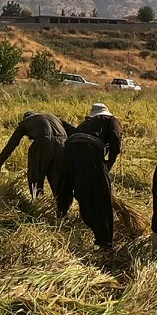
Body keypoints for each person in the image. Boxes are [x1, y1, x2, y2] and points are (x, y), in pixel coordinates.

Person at [55, 103, 123, 247]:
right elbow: (116, 139)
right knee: (102, 196)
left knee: (69, 187)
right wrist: (109, 164)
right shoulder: (111, 120)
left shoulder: (86, 124)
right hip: (89, 152)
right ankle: (105, 241)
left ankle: (60, 218)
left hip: (68, 151)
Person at [0, 111, 69, 198]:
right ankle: (61, 207)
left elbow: (11, 144)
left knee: (35, 176)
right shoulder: (54, 117)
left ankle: (37, 202)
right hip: (63, 144)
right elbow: (74, 130)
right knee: (58, 178)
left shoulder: (26, 122)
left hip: (43, 143)